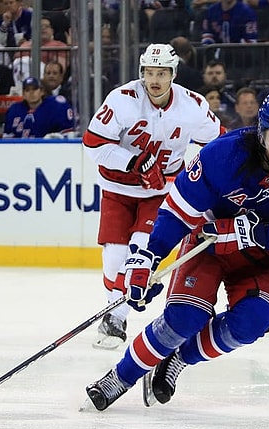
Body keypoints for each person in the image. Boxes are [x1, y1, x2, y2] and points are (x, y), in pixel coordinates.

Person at [84, 92, 269, 411]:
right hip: (207, 243)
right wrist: (149, 256)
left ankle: (178, 358)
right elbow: (177, 213)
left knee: (254, 320)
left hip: (262, 254)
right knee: (185, 318)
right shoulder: (221, 155)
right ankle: (119, 377)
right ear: (261, 133)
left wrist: (252, 232)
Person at [81, 43, 222, 350]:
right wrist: (134, 162)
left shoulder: (193, 106)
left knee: (141, 250)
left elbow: (219, 142)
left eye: (162, 73)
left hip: (160, 192)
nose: (155, 80)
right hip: (117, 189)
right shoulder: (122, 100)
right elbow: (93, 145)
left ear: (173, 74)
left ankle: (118, 317)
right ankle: (115, 313)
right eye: (149, 72)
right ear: (141, 73)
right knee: (114, 256)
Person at [3, 76, 75, 138]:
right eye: (27, 90)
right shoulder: (14, 111)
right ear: (23, 95)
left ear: (41, 91)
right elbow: (7, 139)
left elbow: (68, 135)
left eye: (34, 89)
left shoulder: (56, 107)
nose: (31, 93)